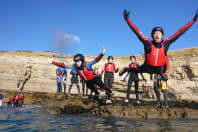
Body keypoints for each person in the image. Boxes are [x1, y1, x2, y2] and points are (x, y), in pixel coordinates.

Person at [122, 9, 198, 80]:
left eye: (159, 33)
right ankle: (126, 69)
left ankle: (162, 74)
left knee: (163, 76)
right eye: (155, 33)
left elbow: (180, 32)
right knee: (135, 70)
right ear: (152, 36)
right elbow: (137, 31)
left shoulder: (166, 43)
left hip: (159, 70)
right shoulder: (148, 42)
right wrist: (127, 20)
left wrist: (194, 20)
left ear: (162, 36)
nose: (157, 35)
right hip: (146, 67)